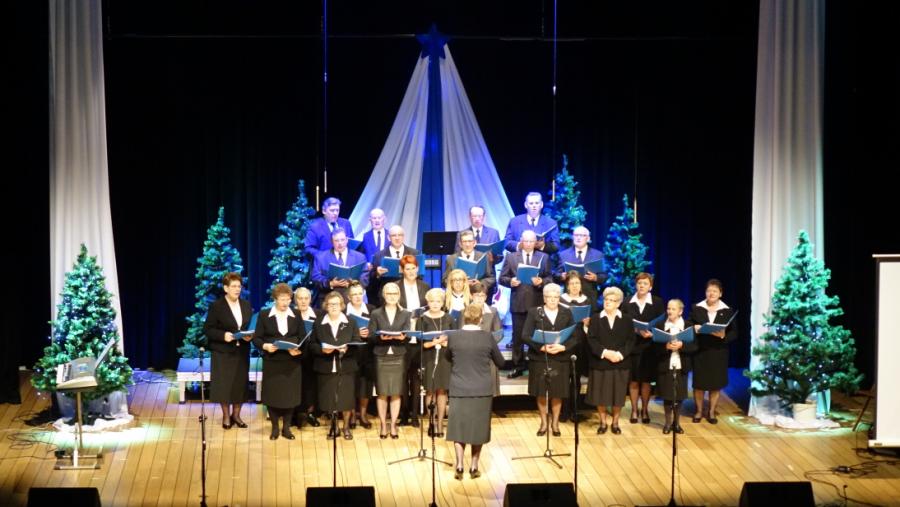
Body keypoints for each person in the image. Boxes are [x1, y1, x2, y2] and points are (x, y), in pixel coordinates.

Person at [446, 304, 505, 480]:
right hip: (481, 389)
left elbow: (447, 357)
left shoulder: (454, 337)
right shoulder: (487, 337)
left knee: (459, 427)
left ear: (464, 318)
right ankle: (473, 466)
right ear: (480, 319)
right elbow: (501, 362)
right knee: (478, 428)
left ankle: (459, 465)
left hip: (459, 388)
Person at [521, 284, 578, 436]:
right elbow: (525, 335)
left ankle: (555, 423)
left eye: (555, 297)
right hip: (540, 357)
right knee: (541, 392)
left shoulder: (566, 312)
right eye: (549, 297)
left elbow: (574, 336)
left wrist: (563, 347)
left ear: (559, 298)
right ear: (544, 298)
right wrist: (541, 347)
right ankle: (544, 422)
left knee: (557, 392)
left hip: (560, 358)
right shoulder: (535, 312)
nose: (553, 300)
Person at [253, 283, 304, 440]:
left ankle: (286, 428)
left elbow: (302, 337)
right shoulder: (264, 315)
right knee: (273, 395)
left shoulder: (296, 314)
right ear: (275, 299)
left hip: (291, 362)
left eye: (288, 299)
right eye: (282, 299)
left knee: (290, 396)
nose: (285, 303)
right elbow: (257, 338)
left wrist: (298, 348)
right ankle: (275, 428)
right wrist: (266, 346)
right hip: (272, 361)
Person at [499, 230, 553, 378]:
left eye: (531, 241)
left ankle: (536, 364)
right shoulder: (511, 257)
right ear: (521, 241)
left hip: (537, 303)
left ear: (535, 242)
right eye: (526, 241)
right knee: (518, 337)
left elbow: (550, 278)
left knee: (537, 336)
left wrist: (541, 281)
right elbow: (502, 278)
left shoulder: (544, 257)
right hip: (518, 302)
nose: (528, 244)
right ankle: (518, 366)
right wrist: (510, 281)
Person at [203, 272, 254, 429]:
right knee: (224, 385)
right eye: (233, 286)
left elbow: (249, 327)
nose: (237, 289)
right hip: (223, 351)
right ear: (226, 288)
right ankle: (226, 416)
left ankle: (236, 415)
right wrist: (223, 335)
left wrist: (249, 336)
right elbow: (208, 329)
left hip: (241, 351)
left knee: (240, 385)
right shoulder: (217, 306)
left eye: (239, 286)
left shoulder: (246, 305)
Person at [310, 291, 362, 440]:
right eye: (330, 304)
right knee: (330, 399)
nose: (333, 307)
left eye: (336, 304)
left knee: (346, 400)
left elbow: (357, 342)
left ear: (342, 306)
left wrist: (347, 349)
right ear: (326, 306)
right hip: (325, 366)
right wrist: (322, 350)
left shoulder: (351, 322)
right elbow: (312, 345)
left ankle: (346, 427)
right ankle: (334, 427)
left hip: (346, 366)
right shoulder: (319, 323)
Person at [585, 287, 634, 435]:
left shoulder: (626, 319)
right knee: (600, 395)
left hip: (620, 362)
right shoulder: (595, 318)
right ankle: (602, 422)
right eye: (606, 299)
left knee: (618, 395)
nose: (608, 302)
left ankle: (615, 422)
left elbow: (631, 340)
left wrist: (619, 354)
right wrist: (605, 353)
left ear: (618, 303)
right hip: (601, 362)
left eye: (612, 300)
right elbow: (591, 339)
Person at [368, 282, 412, 439]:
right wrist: (381, 338)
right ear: (384, 295)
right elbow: (371, 335)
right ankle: (382, 424)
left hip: (398, 355)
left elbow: (408, 335)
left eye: (395, 293)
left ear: (399, 295)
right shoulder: (376, 313)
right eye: (389, 293)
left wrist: (402, 337)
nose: (392, 296)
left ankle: (393, 425)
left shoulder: (406, 313)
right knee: (382, 392)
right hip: (381, 355)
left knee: (395, 392)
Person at [690, 279, 737, 424]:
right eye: (709, 291)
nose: (711, 293)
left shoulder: (727, 311)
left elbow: (734, 332)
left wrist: (723, 336)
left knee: (715, 384)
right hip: (701, 351)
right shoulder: (697, 308)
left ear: (720, 294)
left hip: (718, 351)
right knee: (699, 384)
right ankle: (698, 411)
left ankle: (711, 412)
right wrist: (694, 328)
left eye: (715, 291)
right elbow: (687, 324)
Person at [623, 272, 665, 425]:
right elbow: (623, 323)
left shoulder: (657, 302)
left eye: (645, 283)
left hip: (649, 347)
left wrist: (652, 333)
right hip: (633, 346)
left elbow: (662, 323)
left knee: (646, 381)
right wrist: (634, 330)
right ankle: (634, 410)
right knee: (634, 381)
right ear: (636, 285)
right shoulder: (627, 301)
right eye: (639, 283)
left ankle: (645, 409)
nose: (642, 286)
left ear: (650, 287)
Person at [654, 299, 698, 434]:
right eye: (668, 308)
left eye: (673, 309)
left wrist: (682, 345)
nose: (670, 311)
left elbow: (695, 346)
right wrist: (665, 347)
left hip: (681, 365)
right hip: (666, 365)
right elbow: (654, 347)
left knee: (679, 396)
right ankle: (668, 423)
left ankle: (677, 423)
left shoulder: (688, 326)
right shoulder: (660, 325)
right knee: (667, 396)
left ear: (680, 311)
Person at [395, 254, 430, 427]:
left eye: (413, 268)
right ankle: (404, 414)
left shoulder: (424, 286)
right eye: (407, 269)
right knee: (402, 379)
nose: (410, 272)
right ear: (402, 270)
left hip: (419, 336)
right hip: (402, 338)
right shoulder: (396, 287)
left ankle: (415, 415)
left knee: (416, 379)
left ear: (417, 269)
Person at [417, 288, 455, 437]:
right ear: (427, 302)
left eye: (438, 301)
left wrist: (446, 343)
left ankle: (440, 423)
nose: (435, 304)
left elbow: (454, 339)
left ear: (442, 303)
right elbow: (421, 343)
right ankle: (431, 422)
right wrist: (435, 342)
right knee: (430, 390)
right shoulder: (422, 319)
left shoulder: (449, 318)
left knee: (442, 390)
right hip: (429, 358)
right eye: (432, 301)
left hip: (445, 358)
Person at [559, 270, 595, 422]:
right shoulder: (561, 300)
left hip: (580, 342)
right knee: (564, 377)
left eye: (577, 283)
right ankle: (563, 411)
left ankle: (574, 410)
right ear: (567, 286)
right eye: (572, 283)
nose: (574, 286)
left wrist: (588, 323)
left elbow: (592, 322)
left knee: (576, 377)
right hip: (565, 340)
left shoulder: (586, 300)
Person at [311, 227, 369, 305]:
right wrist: (330, 283)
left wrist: (353, 283)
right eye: (336, 240)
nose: (340, 243)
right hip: (328, 299)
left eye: (342, 240)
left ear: (347, 240)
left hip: (352, 299)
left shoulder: (360, 257)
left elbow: (365, 277)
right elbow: (315, 277)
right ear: (332, 242)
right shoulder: (321, 257)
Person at [345, 281, 375, 429]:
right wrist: (355, 333)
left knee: (365, 385)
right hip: (350, 353)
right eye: (354, 294)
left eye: (360, 294)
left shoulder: (372, 310)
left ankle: (363, 415)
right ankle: (351, 415)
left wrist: (370, 333)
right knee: (350, 385)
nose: (357, 297)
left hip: (367, 352)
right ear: (348, 297)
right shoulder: (344, 312)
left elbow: (376, 331)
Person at [293, 287, 321, 429]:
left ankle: (310, 413)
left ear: (310, 299)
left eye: (306, 298)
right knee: (297, 385)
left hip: (313, 356)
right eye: (300, 298)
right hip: (295, 356)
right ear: (295, 300)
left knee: (311, 386)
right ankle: (296, 414)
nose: (303, 301)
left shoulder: (318, 314)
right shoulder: (291, 315)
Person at [370, 225, 420, 304]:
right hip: (387, 298)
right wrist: (377, 274)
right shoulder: (379, 255)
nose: (397, 238)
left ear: (403, 237)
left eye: (400, 235)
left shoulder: (414, 253)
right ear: (388, 237)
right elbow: (372, 283)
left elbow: (420, 276)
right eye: (394, 235)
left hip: (409, 296)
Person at [470, 281, 503, 400]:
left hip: (488, 352)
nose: (480, 298)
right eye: (477, 295)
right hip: (471, 352)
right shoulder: (465, 311)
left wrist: (487, 345)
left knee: (488, 387)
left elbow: (499, 333)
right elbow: (461, 332)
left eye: (482, 295)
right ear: (471, 296)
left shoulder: (493, 311)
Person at [554, 226, 604, 304]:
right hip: (569, 298)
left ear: (588, 238)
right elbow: (556, 274)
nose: (578, 238)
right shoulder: (563, 255)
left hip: (590, 296)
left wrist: (596, 278)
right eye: (576, 235)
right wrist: (561, 276)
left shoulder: (597, 255)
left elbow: (604, 275)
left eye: (582, 235)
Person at [444, 230, 496, 296]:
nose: (467, 244)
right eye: (464, 241)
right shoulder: (451, 259)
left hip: (478, 295)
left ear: (474, 243)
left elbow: (491, 278)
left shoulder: (483, 257)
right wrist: (459, 284)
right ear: (460, 244)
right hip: (458, 296)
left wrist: (480, 283)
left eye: (470, 241)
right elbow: (445, 280)